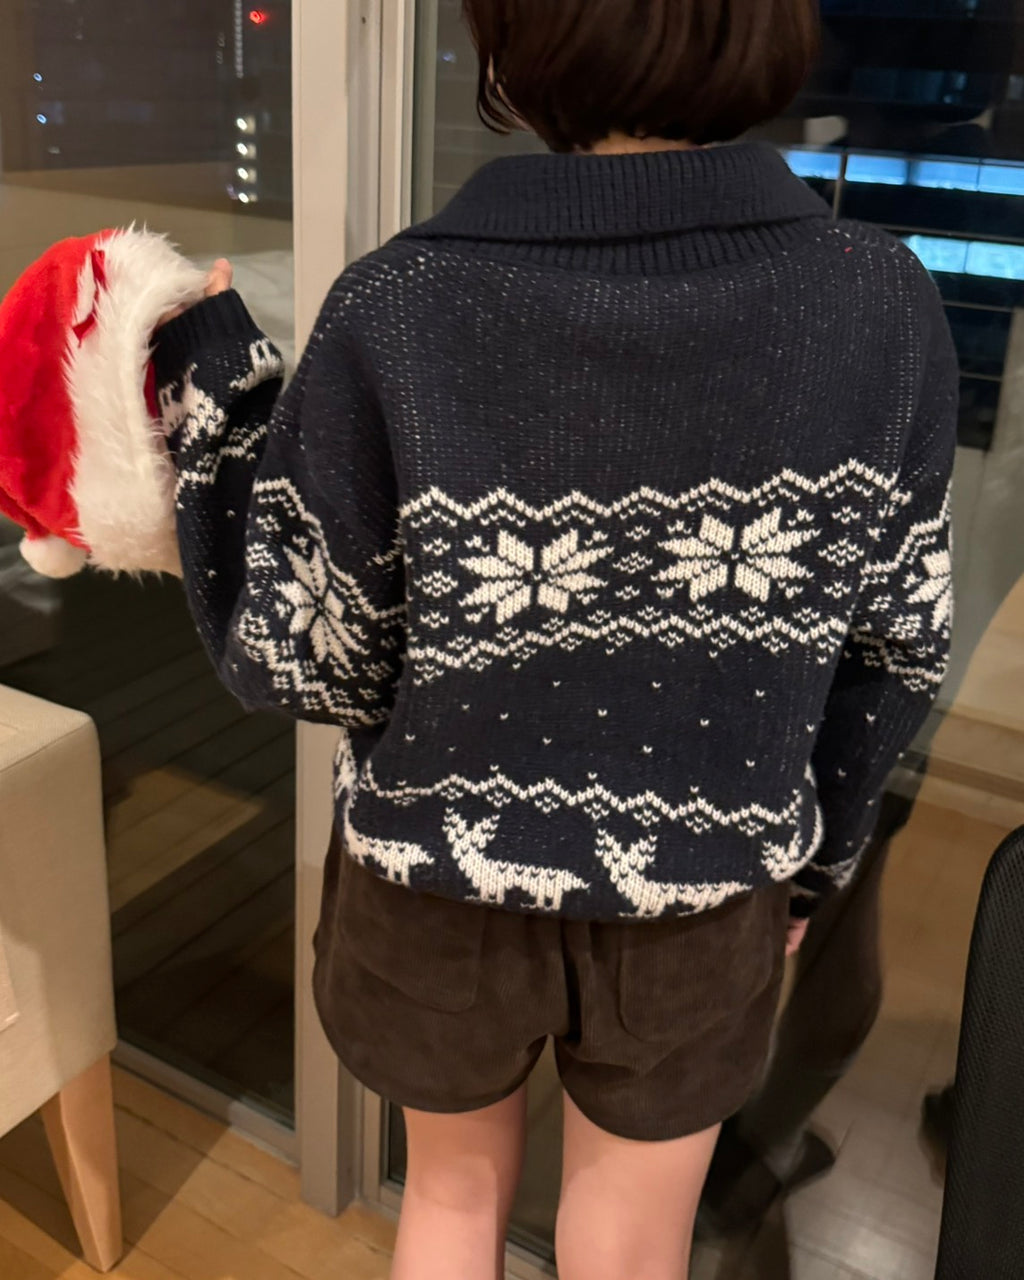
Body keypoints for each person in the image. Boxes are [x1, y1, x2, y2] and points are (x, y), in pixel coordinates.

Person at [150, 2, 960, 1276]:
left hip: (430, 888)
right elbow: (895, 646)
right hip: (705, 895)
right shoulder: (881, 301)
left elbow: (304, 651)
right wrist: (810, 871)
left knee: (448, 1200)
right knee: (632, 1243)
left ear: (509, 38)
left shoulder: (399, 302)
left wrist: (218, 389)